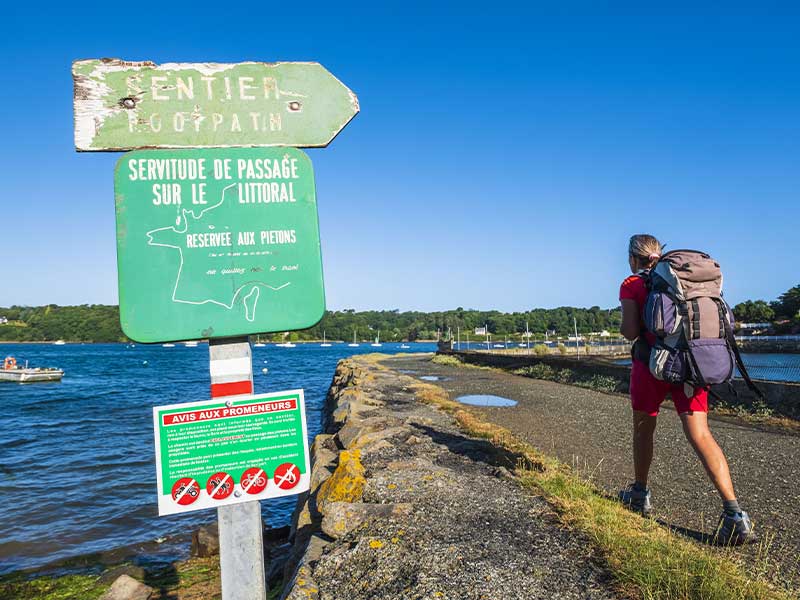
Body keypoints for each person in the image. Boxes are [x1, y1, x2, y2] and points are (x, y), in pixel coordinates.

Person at [617, 234, 754, 545]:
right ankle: (734, 513)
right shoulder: (689, 280)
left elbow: (630, 332)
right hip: (693, 365)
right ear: (660, 254)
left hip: (652, 365)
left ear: (632, 257)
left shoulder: (632, 283)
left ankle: (639, 494)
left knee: (643, 429)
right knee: (701, 434)